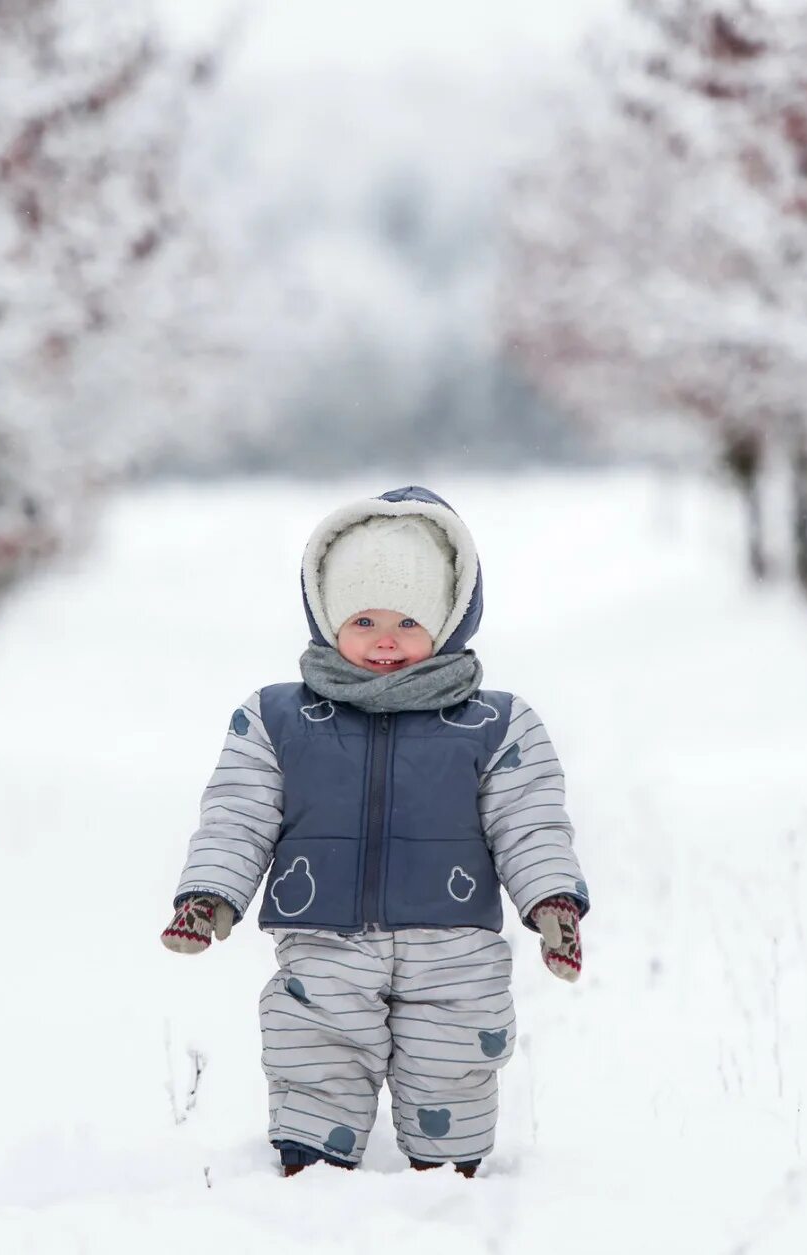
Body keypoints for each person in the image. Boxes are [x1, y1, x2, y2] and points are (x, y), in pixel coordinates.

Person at [160, 485, 590, 1178]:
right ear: (327, 617)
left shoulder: (497, 724)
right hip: (323, 939)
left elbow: (530, 819)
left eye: (408, 620)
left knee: (454, 1061)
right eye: (363, 619)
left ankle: (452, 1183)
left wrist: (551, 902)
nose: (385, 639)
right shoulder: (277, 718)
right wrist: (210, 893)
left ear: (449, 622)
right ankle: (311, 1173)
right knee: (312, 1051)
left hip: (454, 947)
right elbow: (237, 811)